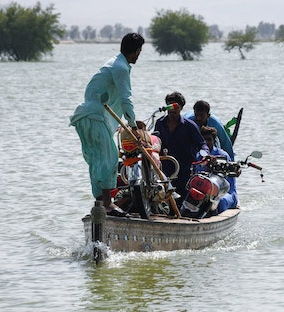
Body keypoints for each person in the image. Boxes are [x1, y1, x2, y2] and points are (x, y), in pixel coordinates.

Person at [69, 33, 145, 217]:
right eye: (139, 51)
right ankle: (108, 204)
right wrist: (133, 126)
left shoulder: (114, 62)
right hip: (95, 116)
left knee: (96, 160)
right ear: (135, 51)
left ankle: (99, 204)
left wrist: (131, 121)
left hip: (87, 116)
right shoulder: (120, 67)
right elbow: (126, 98)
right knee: (109, 158)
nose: (139, 55)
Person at [154, 91, 210, 203]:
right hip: (164, 168)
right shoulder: (159, 123)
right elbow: (155, 141)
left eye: (176, 107)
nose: (172, 110)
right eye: (170, 106)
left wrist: (205, 153)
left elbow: (202, 143)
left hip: (184, 170)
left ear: (181, 108)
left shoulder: (189, 126)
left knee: (181, 199)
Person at [199, 126, 239, 213]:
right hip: (205, 192)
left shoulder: (223, 155)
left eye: (209, 139)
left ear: (214, 141)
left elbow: (230, 182)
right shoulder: (198, 156)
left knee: (219, 203)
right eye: (204, 140)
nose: (206, 142)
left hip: (225, 193)